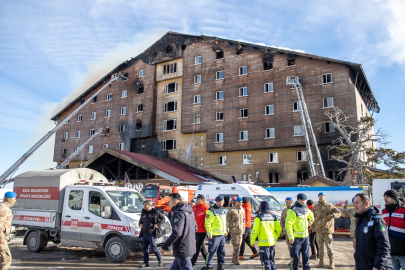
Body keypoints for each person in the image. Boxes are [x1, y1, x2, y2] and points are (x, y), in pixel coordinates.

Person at [353, 193, 393, 270]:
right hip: (363, 265)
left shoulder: (376, 220)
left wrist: (378, 266)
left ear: (366, 204)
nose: (355, 205)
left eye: (357, 203)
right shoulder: (359, 219)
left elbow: (383, 246)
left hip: (376, 266)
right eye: (354, 203)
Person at [160, 193, 197, 270]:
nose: (168, 204)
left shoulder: (179, 213)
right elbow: (195, 228)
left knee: (186, 266)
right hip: (186, 246)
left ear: (175, 202)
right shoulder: (189, 211)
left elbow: (177, 232)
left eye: (169, 202)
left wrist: (165, 246)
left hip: (182, 247)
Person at [312, 192, 341, 269]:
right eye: (319, 196)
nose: (320, 198)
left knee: (329, 247)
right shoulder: (315, 207)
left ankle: (332, 263)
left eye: (322, 196)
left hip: (327, 230)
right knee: (320, 248)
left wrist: (332, 215)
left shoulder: (329, 206)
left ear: (325, 197)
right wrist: (312, 226)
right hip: (319, 231)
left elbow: (339, 213)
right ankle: (321, 263)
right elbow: (312, 217)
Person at [285, 193, 314, 270]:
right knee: (295, 257)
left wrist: (311, 221)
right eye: (302, 200)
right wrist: (290, 237)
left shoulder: (305, 208)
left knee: (306, 256)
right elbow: (288, 225)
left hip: (305, 237)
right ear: (298, 200)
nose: (304, 202)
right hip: (296, 238)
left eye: (305, 200)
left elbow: (311, 215)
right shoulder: (293, 211)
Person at [250, 201, 282, 270]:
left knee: (265, 262)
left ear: (260, 208)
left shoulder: (259, 217)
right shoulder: (273, 216)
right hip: (272, 243)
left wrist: (252, 241)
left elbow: (255, 230)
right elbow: (279, 229)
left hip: (264, 243)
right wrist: (276, 237)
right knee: (271, 260)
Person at [202, 195, 227, 270]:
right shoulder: (211, 210)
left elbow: (223, 222)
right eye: (222, 201)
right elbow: (207, 223)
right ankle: (208, 265)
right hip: (214, 235)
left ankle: (220, 266)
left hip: (222, 235)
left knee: (222, 251)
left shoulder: (221, 210)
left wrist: (225, 231)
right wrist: (209, 233)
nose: (223, 202)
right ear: (218, 202)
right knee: (212, 251)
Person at [382, 189, 405, 270]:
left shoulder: (403, 211)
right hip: (390, 251)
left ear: (394, 198)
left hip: (402, 251)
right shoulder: (384, 212)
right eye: (384, 197)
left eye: (387, 197)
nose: (385, 199)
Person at [138, 200, 164, 268]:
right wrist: (140, 224)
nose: (144, 205)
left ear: (150, 205)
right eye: (144, 204)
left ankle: (160, 260)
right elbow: (141, 219)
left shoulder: (155, 211)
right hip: (144, 232)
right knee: (144, 248)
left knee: (153, 248)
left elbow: (163, 219)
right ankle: (145, 262)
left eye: (146, 204)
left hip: (152, 233)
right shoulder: (144, 211)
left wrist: (158, 224)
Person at [226, 197, 245, 265]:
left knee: (239, 244)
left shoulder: (242, 210)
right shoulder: (231, 209)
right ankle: (236, 259)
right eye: (239, 202)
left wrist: (243, 229)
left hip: (240, 230)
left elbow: (243, 220)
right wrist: (227, 228)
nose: (240, 204)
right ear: (236, 202)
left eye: (241, 202)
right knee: (236, 244)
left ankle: (233, 258)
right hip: (233, 229)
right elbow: (227, 219)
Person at [0, 192, 16, 270]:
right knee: (6, 259)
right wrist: (1, 238)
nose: (15, 201)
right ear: (10, 199)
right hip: (1, 238)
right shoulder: (4, 208)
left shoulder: (5, 207)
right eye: (14, 199)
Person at [191, 194, 209, 266]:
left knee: (197, 246)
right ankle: (208, 260)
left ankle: (193, 261)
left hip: (202, 230)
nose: (196, 200)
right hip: (195, 229)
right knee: (202, 248)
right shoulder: (193, 207)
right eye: (196, 199)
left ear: (202, 200)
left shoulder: (206, 209)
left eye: (198, 199)